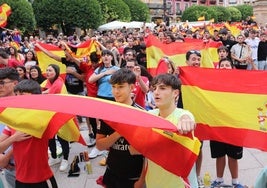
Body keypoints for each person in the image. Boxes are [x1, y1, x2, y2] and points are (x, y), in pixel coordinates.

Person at [1, 79, 58, 188]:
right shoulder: (13, 122)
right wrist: (13, 138)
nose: (17, 98)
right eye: (16, 94)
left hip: (42, 179)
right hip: (20, 179)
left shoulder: (44, 118)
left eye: (21, 95)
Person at [145, 73, 197, 187]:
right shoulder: (149, 116)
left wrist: (186, 121)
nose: (156, 92)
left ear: (175, 93)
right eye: (154, 88)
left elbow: (187, 119)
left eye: (162, 88)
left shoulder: (183, 115)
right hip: (153, 183)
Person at [96, 68, 145, 188]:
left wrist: (141, 180)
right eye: (113, 87)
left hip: (134, 175)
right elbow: (99, 145)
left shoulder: (142, 114)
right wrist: (119, 133)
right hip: (112, 171)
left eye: (121, 87)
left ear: (132, 87)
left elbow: (147, 154)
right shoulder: (108, 114)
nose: (116, 91)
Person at [210, 58, 244, 188]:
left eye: (227, 65)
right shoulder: (212, 84)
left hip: (234, 125)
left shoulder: (238, 83)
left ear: (232, 68)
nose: (224, 67)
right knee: (219, 155)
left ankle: (235, 182)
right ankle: (219, 180)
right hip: (217, 125)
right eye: (222, 65)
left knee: (233, 156)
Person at [88, 49, 119, 159]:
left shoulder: (116, 69)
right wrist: (105, 73)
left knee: (113, 123)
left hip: (113, 98)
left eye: (108, 55)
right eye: (104, 55)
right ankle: (98, 146)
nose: (106, 57)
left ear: (111, 57)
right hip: (101, 98)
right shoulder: (99, 69)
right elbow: (90, 80)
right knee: (100, 123)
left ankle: (110, 146)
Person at [41, 64, 70, 172]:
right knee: (50, 137)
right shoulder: (46, 83)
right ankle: (54, 157)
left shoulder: (59, 83)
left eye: (50, 70)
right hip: (48, 114)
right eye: (47, 70)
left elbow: (49, 94)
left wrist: (42, 93)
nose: (47, 72)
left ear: (56, 72)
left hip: (60, 114)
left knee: (63, 137)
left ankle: (65, 159)